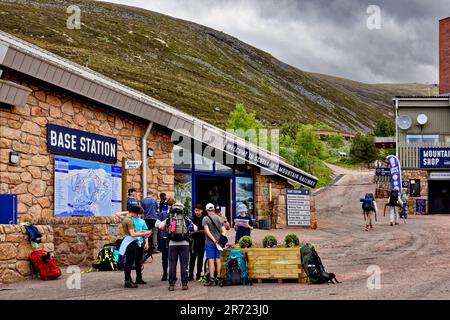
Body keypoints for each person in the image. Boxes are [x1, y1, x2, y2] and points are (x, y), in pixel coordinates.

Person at [157, 202, 197, 291]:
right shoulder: (186, 218)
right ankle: (184, 284)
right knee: (184, 265)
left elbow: (160, 226)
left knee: (172, 264)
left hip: (172, 244)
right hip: (185, 244)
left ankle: (171, 284)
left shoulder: (169, 218)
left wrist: (167, 227)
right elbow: (195, 228)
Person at [117, 205, 151, 288]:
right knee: (129, 262)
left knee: (138, 261)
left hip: (137, 242)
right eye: (138, 213)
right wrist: (144, 233)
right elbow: (133, 234)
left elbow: (142, 232)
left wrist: (146, 242)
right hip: (132, 242)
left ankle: (137, 278)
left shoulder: (137, 220)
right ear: (135, 213)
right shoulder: (129, 220)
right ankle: (128, 281)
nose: (139, 215)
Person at [203, 203, 227, 287]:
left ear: (206, 210)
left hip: (210, 242)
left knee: (211, 260)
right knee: (218, 259)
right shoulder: (219, 218)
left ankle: (212, 279)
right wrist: (222, 238)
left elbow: (207, 231)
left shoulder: (205, 218)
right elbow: (224, 230)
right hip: (219, 243)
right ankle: (219, 278)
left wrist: (213, 240)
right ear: (213, 209)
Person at [189, 204, 206, 281]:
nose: (197, 212)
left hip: (202, 241)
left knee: (200, 259)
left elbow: (205, 231)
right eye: (196, 210)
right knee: (192, 258)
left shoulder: (204, 219)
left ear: (202, 211)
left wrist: (197, 230)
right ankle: (190, 274)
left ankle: (198, 274)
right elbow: (190, 230)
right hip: (193, 242)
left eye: (198, 211)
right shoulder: (192, 219)